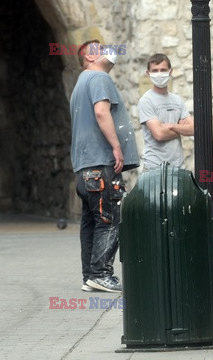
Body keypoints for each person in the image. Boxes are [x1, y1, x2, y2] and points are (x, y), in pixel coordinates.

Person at [70, 40, 139, 293]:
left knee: (91, 221)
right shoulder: (99, 78)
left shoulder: (80, 83)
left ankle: (90, 275)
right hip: (100, 165)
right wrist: (116, 147)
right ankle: (101, 273)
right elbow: (102, 112)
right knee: (109, 220)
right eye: (100, 48)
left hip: (84, 168)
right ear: (89, 57)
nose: (110, 49)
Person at [138, 53, 194, 170]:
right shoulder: (146, 100)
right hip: (154, 167)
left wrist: (171, 126)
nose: (159, 74)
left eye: (163, 70)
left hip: (177, 166)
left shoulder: (177, 100)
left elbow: (193, 129)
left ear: (170, 71)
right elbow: (159, 134)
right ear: (148, 74)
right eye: (155, 70)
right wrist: (180, 128)